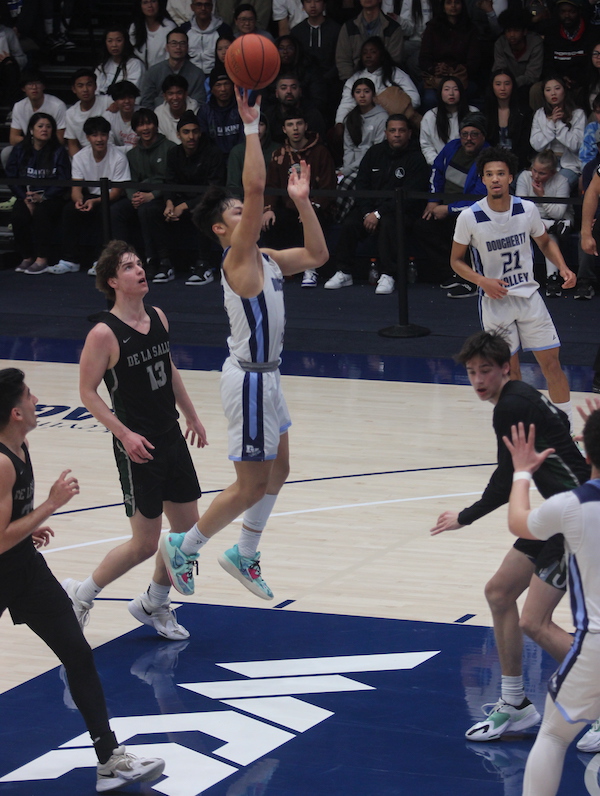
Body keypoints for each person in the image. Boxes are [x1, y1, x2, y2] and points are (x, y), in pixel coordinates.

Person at [160, 87, 328, 601]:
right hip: (250, 380)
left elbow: (319, 254)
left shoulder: (270, 258)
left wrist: (302, 203)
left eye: (244, 212)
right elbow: (255, 188)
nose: (247, 214)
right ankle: (185, 546)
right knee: (249, 483)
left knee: (280, 469)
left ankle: (245, 552)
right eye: (235, 214)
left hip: (269, 375)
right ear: (221, 229)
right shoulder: (237, 261)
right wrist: (251, 126)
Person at [0, 367, 166, 792]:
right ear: (15, 411)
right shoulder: (1, 462)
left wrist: (27, 523)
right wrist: (49, 507)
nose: (37, 400)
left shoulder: (20, 444)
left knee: (77, 652)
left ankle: (109, 759)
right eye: (30, 396)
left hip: (25, 571)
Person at [430, 330, 589, 742]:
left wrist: (465, 516)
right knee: (499, 593)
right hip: (559, 515)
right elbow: (564, 423)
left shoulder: (510, 406)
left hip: (579, 520)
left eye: (486, 370)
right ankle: (516, 704)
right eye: (471, 372)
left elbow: (506, 480)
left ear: (505, 369)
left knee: (535, 623)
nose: (479, 380)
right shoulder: (520, 394)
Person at [65, 239, 207, 640]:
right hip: (137, 446)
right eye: (128, 267)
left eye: (139, 263)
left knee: (186, 536)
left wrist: (192, 415)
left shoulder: (159, 316)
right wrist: (124, 434)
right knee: (146, 543)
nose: (139, 270)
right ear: (113, 281)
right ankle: (82, 594)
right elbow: (88, 393)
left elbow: (169, 367)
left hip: (170, 436)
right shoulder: (103, 334)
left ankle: (153, 603)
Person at [503, 408, 600, 795]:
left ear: (586, 453)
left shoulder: (572, 506)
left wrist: (523, 472)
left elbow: (518, 521)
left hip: (595, 645)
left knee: (555, 736)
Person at [451, 146, 576, 426]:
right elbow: (456, 262)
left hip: (529, 297)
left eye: (501, 173)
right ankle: (522, 430)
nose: (495, 179)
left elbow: (544, 241)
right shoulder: (469, 217)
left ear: (510, 177)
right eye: (489, 174)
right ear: (482, 179)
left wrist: (565, 267)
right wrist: (482, 281)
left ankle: (564, 429)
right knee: (510, 373)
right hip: (495, 303)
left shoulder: (526, 209)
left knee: (552, 365)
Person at [326, 113, 428, 294]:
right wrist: (367, 213)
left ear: (409, 133)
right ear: (385, 133)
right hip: (370, 208)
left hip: (401, 210)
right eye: (393, 130)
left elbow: (408, 196)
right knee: (350, 223)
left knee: (389, 223)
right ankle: (344, 272)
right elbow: (362, 185)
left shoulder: (417, 159)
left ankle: (388, 274)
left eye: (401, 131)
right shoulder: (374, 153)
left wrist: (378, 214)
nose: (397, 134)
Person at [413, 111, 489, 294]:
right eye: (464, 134)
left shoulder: (488, 157)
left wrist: (448, 209)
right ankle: (454, 273)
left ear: (483, 136)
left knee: (464, 225)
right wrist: (433, 200)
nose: (468, 139)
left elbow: (480, 198)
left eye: (474, 134)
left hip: (470, 212)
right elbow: (436, 173)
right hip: (443, 206)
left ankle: (471, 280)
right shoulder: (452, 147)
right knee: (421, 226)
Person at [263, 110, 336, 288]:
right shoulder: (278, 154)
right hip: (288, 207)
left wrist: (309, 209)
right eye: (290, 124)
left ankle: (310, 268)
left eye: (299, 123)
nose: (295, 128)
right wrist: (268, 208)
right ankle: (275, 269)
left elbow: (328, 187)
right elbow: (271, 185)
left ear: (306, 126)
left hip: (316, 208)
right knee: (269, 221)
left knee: (309, 221)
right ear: (284, 129)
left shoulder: (320, 152)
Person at [57, 116, 131, 276]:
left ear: (108, 136)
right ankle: (70, 260)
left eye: (103, 135)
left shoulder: (118, 157)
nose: (99, 139)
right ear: (87, 137)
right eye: (95, 135)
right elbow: (76, 189)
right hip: (89, 195)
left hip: (110, 197)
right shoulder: (79, 157)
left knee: (105, 211)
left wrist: (95, 201)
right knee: (69, 210)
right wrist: (79, 201)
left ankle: (100, 261)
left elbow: (117, 193)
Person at [111, 107, 176, 281]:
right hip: (140, 196)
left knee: (147, 210)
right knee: (117, 210)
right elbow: (129, 180)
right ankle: (122, 259)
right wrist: (134, 197)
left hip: (164, 196)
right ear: (135, 130)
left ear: (155, 125)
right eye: (140, 125)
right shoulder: (132, 154)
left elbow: (172, 180)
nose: (145, 128)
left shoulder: (171, 149)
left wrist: (153, 195)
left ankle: (161, 261)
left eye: (148, 123)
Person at [163, 109, 226, 284]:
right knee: (150, 210)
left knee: (203, 211)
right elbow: (169, 182)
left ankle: (204, 265)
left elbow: (215, 189)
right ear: (178, 134)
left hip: (207, 200)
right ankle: (162, 262)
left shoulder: (213, 152)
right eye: (186, 132)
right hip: (179, 199)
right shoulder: (173, 153)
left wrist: (183, 206)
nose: (191, 136)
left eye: (195, 131)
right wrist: (169, 204)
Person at [6, 112, 71, 276]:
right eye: (40, 126)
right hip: (26, 195)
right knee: (18, 214)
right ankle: (27, 257)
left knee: (42, 213)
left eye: (49, 127)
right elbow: (12, 177)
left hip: (52, 197)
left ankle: (42, 259)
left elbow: (64, 180)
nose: (45, 130)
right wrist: (25, 197)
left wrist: (44, 197)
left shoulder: (58, 151)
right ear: (31, 130)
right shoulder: (20, 150)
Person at [516, 150, 573, 298]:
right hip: (535, 221)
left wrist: (542, 196)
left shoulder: (562, 181)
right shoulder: (524, 177)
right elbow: (520, 210)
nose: (535, 176)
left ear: (553, 172)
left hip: (556, 220)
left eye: (542, 173)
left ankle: (552, 278)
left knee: (549, 235)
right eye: (534, 170)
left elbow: (558, 213)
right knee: (528, 224)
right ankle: (550, 225)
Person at [418, 0, 481, 111]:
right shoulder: (432, 27)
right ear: (443, 6)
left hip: (461, 76)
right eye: (448, 2)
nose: (453, 6)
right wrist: (435, 69)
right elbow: (424, 58)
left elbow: (474, 60)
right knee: (430, 100)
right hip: (436, 76)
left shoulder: (470, 29)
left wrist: (453, 70)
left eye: (457, 2)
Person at [530, 75, 585, 191]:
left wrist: (559, 124)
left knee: (557, 187)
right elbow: (536, 145)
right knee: (524, 183)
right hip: (545, 163)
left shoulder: (578, 114)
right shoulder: (540, 114)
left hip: (569, 165)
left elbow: (576, 145)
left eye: (557, 88)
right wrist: (551, 124)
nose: (553, 93)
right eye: (548, 90)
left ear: (564, 91)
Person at [335, 0, 403, 82]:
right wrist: (353, 84)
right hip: (355, 83)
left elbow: (394, 61)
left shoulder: (393, 28)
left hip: (385, 82)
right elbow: (343, 61)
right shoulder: (348, 27)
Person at [139, 26, 206, 108]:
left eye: (182, 43)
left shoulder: (197, 74)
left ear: (187, 47)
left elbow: (199, 102)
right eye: (174, 43)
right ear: (167, 47)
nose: (178, 47)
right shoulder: (153, 72)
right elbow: (146, 102)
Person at [338, 77, 388, 181]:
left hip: (372, 165)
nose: (362, 95)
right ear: (353, 95)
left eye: (366, 91)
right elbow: (348, 148)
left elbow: (376, 150)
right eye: (358, 92)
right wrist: (347, 169)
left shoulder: (382, 117)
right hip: (351, 166)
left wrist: (349, 170)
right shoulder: (350, 118)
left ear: (373, 94)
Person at [419, 75, 476, 165]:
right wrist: (439, 163)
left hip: (469, 166)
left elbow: (479, 141)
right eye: (446, 89)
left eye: (455, 89)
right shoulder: (430, 116)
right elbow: (426, 145)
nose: (451, 93)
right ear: (440, 92)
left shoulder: (473, 113)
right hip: (440, 167)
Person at [483, 69, 532, 171]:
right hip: (491, 164)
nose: (503, 88)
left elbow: (525, 145)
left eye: (507, 84)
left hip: (518, 164)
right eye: (498, 84)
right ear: (492, 86)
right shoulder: (485, 112)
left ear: (513, 85)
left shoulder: (524, 112)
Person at [492, 8, 543, 107]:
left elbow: (533, 75)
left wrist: (512, 83)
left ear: (524, 32)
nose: (512, 35)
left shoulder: (535, 43)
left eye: (516, 31)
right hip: (506, 84)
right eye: (508, 31)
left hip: (527, 85)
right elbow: (499, 69)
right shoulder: (500, 43)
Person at [261, 72, 327, 145]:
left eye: (293, 87)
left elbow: (320, 143)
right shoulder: (269, 115)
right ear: (276, 93)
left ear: (300, 92)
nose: (289, 91)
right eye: (284, 88)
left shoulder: (312, 114)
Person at [64, 69, 112, 158]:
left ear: (96, 86)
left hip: (111, 152)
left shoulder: (108, 102)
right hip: (86, 157)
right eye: (80, 86)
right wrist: (79, 163)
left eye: (89, 85)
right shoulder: (70, 113)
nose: (85, 89)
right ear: (74, 89)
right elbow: (72, 144)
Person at [197, 69, 242, 158]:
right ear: (212, 89)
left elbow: (244, 139)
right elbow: (204, 142)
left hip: (239, 158)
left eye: (226, 84)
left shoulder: (241, 108)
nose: (223, 89)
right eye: (218, 85)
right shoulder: (205, 111)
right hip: (214, 160)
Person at [180, 0, 233, 75]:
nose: (203, 8)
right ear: (192, 7)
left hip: (217, 75)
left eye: (207, 5)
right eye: (199, 4)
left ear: (212, 7)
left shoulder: (223, 29)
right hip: (190, 75)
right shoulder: (185, 29)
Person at [95, 27, 145, 96]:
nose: (114, 45)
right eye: (110, 41)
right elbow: (95, 90)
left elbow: (132, 92)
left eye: (118, 40)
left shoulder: (135, 64)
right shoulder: (102, 65)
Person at [129, 0, 176, 69]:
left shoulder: (169, 27)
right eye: (145, 2)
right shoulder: (134, 27)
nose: (150, 5)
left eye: (153, 1)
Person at [155, 73, 199, 142]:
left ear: (185, 94)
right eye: (170, 94)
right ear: (164, 96)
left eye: (179, 93)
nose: (175, 98)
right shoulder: (159, 114)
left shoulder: (198, 112)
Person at [103, 80, 140, 151]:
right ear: (115, 100)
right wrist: (133, 148)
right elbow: (108, 147)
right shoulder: (108, 116)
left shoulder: (144, 114)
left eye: (130, 97)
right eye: (122, 98)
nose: (127, 101)